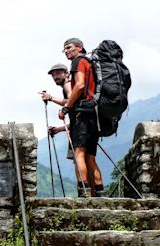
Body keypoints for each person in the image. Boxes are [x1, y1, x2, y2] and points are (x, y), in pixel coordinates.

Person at [58, 37, 104, 197]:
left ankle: (84, 190)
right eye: (64, 49)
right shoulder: (90, 63)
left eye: (69, 47)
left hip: (82, 114)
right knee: (90, 156)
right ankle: (100, 191)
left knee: (79, 153)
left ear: (80, 47)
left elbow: (80, 85)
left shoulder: (78, 62)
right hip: (95, 114)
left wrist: (65, 108)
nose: (66, 51)